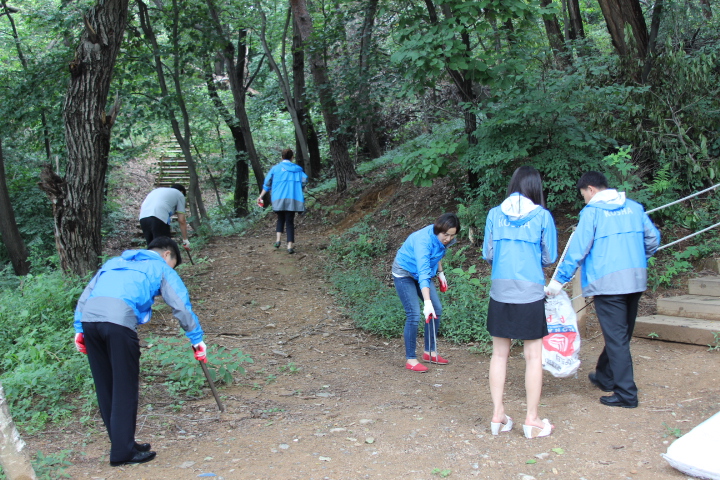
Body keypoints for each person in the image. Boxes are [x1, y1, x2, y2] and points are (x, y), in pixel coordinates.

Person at [73, 237, 207, 467]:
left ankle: (123, 443)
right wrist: (196, 339)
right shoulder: (160, 267)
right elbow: (180, 305)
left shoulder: (114, 262)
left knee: (105, 385)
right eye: (173, 263)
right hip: (118, 322)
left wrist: (79, 329)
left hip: (90, 321)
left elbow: (86, 295)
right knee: (125, 386)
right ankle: (122, 453)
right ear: (167, 255)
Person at [546, 171, 660, 409]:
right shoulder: (634, 207)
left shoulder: (592, 213)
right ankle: (605, 376)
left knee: (617, 338)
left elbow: (578, 249)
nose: (584, 200)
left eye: (583, 195)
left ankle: (627, 394)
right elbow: (652, 239)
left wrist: (559, 281)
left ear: (591, 189)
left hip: (608, 284)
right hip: (635, 278)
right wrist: (639, 259)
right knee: (621, 334)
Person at [482, 166, 557, 439]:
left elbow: (488, 252)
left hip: (500, 291)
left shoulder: (494, 214)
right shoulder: (543, 216)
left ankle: (498, 415)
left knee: (499, 354)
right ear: (536, 187)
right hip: (530, 292)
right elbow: (549, 257)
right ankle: (532, 419)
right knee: (533, 356)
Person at [392, 213, 459, 373]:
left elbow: (437, 253)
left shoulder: (442, 237)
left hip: (423, 271)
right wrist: (426, 303)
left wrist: (441, 273)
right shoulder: (423, 241)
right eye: (446, 235)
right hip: (405, 273)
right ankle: (411, 359)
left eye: (452, 235)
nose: (448, 239)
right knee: (414, 314)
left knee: (437, 310)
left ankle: (430, 352)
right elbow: (423, 273)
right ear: (438, 231)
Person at [256, 149, 308, 254]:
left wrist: (260, 196)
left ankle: (278, 240)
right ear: (292, 157)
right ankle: (290, 246)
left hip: (278, 198)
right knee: (289, 222)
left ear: (282, 157)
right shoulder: (298, 169)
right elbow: (304, 180)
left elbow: (267, 184)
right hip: (293, 198)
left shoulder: (275, 169)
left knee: (280, 219)